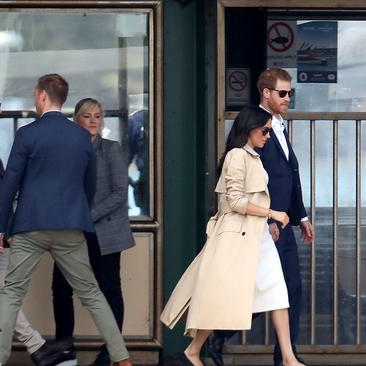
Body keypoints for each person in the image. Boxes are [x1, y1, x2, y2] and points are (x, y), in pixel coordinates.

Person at [0, 74, 132, 366]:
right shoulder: (81, 136)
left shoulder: (27, 134)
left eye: (34, 94)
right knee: (92, 293)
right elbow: (89, 185)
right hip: (70, 226)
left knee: (12, 293)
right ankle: (122, 358)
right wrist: (78, 213)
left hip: (30, 225)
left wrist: (0, 226)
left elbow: (10, 184)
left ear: (42, 96)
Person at [160, 106, 304, 366]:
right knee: (221, 297)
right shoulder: (237, 156)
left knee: (277, 294)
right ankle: (194, 349)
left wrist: (267, 220)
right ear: (249, 128)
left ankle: (289, 358)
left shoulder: (252, 156)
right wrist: (273, 213)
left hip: (256, 235)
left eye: (270, 131)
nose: (268, 136)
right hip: (238, 238)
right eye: (264, 131)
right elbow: (236, 201)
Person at [209, 68, 314, 366]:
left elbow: (289, 174)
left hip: (281, 221)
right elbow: (245, 177)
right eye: (282, 93)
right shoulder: (255, 123)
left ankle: (285, 357)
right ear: (266, 93)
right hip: (263, 224)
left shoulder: (277, 125)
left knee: (290, 288)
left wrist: (301, 216)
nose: (288, 98)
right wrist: (267, 219)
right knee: (260, 289)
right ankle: (218, 333)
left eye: (290, 93)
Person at [0, 82, 68, 366]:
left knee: (7, 292)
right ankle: (36, 347)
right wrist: (4, 225)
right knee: (7, 291)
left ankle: (36, 347)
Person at [51, 98, 136, 366]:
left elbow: (120, 193)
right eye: (87, 116)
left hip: (105, 231)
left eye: (97, 116)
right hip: (72, 230)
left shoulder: (110, 149)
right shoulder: (67, 150)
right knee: (61, 288)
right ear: (76, 120)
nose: (93, 121)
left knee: (109, 289)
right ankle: (65, 349)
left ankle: (110, 352)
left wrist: (88, 216)